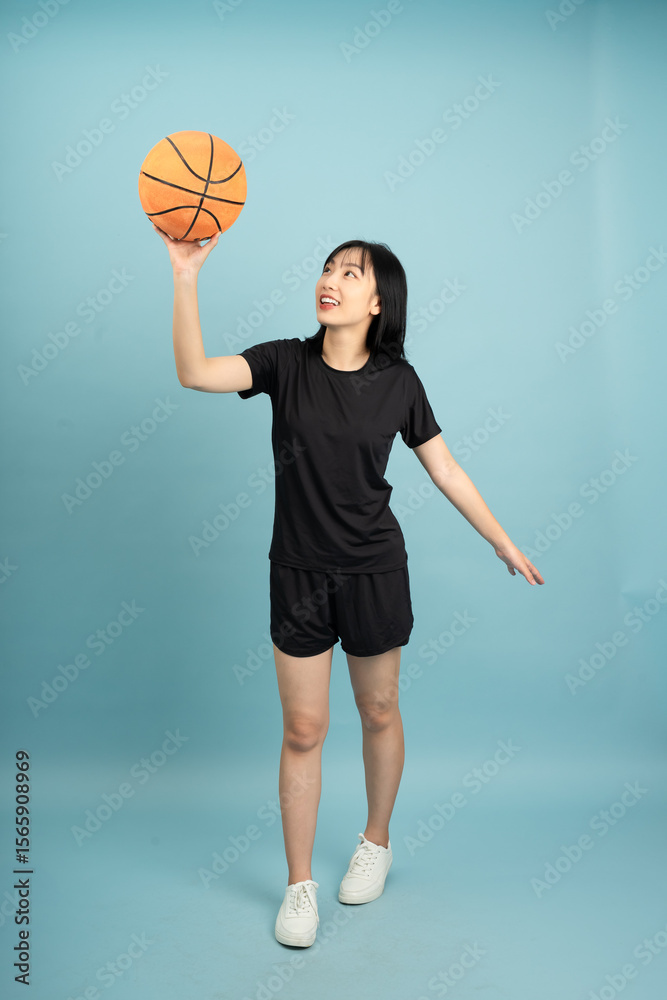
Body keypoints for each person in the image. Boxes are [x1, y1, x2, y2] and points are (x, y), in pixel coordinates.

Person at [153, 224, 544, 949]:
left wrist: (500, 539)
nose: (330, 279)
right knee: (303, 729)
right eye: (327, 268)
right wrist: (184, 275)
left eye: (351, 273)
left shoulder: (399, 382)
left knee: (379, 710)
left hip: (373, 568)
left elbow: (446, 469)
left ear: (377, 302)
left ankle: (376, 839)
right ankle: (298, 886)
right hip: (297, 569)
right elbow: (194, 373)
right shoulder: (283, 363)